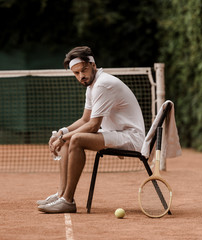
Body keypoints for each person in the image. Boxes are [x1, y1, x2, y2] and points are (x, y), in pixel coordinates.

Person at [37, 46, 145, 213]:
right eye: (76, 73)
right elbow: (85, 119)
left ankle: (68, 200)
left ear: (93, 65)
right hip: (118, 134)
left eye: (84, 70)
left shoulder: (102, 84)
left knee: (77, 139)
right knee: (68, 140)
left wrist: (65, 138)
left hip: (131, 138)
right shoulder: (91, 85)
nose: (81, 76)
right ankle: (61, 195)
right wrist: (62, 132)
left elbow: (93, 125)